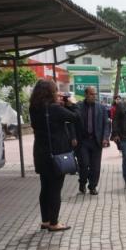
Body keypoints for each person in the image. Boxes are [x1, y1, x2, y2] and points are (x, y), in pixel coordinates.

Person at [29, 79, 79, 232]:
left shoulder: (34, 108)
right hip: (56, 155)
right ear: (50, 92)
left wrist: (60, 105)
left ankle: (45, 220)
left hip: (41, 154)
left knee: (45, 188)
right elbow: (76, 118)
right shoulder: (55, 109)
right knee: (55, 190)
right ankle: (54, 222)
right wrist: (73, 104)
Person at [75, 86, 110, 195]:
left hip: (96, 141)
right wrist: (73, 137)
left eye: (95, 94)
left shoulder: (101, 108)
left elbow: (106, 124)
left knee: (95, 167)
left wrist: (105, 138)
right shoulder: (79, 106)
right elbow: (73, 123)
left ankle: (92, 186)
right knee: (84, 164)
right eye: (91, 94)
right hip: (83, 141)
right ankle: (82, 183)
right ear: (86, 94)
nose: (94, 96)